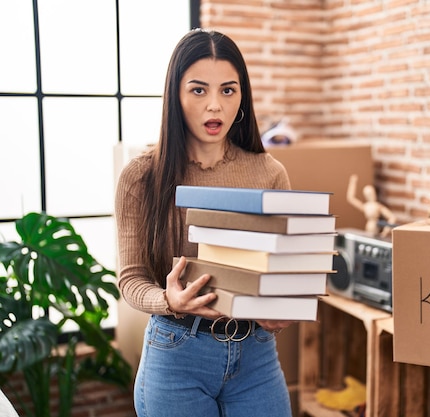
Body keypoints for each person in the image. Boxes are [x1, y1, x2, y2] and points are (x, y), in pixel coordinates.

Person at [115, 29, 293, 417]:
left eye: (228, 90)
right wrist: (168, 300)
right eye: (198, 90)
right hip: (177, 354)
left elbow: (280, 270)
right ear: (175, 97)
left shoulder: (271, 174)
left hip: (256, 355)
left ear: (242, 96)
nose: (215, 105)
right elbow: (130, 279)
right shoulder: (141, 176)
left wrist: (282, 308)